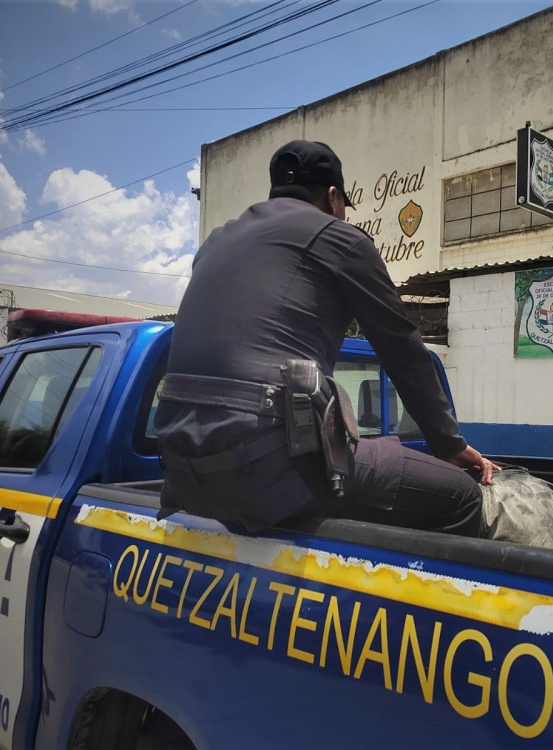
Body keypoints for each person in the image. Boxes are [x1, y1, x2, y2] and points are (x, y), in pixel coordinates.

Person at [154, 139, 497, 536]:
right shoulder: (341, 239)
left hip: (180, 471)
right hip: (268, 468)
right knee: (461, 496)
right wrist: (448, 445)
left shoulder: (215, 241)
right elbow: (401, 349)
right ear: (334, 197)